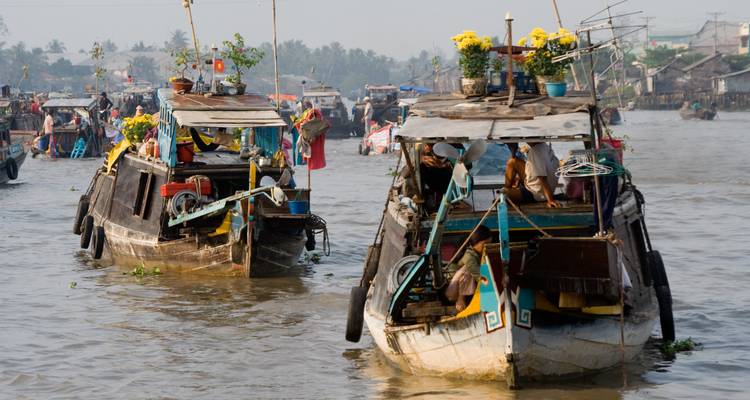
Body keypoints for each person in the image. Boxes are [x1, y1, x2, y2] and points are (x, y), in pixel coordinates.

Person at [446, 225, 492, 311]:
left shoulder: (478, 254)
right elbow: (478, 275)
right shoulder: (469, 256)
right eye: (484, 244)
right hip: (452, 287)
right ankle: (460, 301)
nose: (486, 247)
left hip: (462, 286)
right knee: (466, 271)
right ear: (477, 242)